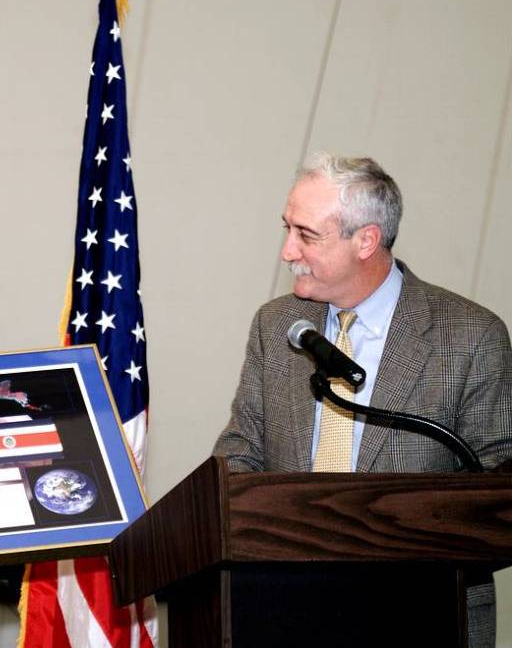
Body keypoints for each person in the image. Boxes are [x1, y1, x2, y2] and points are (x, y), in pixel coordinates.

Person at [213, 153, 512, 646]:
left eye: (307, 235)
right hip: (283, 611)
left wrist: (390, 532)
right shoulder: (277, 325)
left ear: (366, 241)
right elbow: (240, 453)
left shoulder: (470, 334)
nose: (288, 251)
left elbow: (499, 485)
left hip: (424, 613)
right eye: (287, 228)